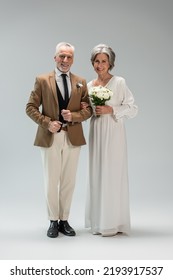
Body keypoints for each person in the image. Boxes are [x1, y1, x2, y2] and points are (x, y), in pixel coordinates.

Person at [26, 42, 92, 238]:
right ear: (55, 57)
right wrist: (47, 123)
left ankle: (64, 220)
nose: (65, 60)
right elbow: (30, 107)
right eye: (62, 56)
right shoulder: (42, 80)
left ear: (73, 59)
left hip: (73, 137)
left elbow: (88, 109)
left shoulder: (80, 81)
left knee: (69, 181)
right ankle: (52, 221)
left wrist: (74, 116)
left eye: (69, 57)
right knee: (51, 180)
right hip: (50, 137)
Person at [84, 44, 138, 237]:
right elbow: (87, 111)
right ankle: (99, 221)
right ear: (92, 63)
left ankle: (115, 222)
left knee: (113, 174)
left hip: (114, 132)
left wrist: (112, 110)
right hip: (97, 131)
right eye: (97, 61)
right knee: (97, 173)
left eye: (104, 61)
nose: (100, 65)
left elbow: (133, 109)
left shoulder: (119, 82)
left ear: (110, 63)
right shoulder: (89, 86)